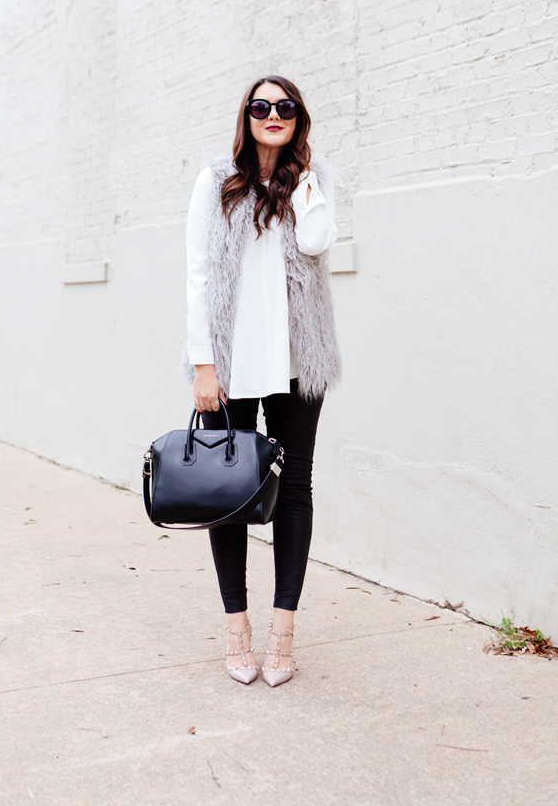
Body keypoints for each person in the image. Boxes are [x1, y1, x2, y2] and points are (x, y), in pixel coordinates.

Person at [182, 75, 341, 686]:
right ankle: (236, 632)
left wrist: (304, 187)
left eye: (286, 107)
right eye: (260, 106)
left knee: (294, 491)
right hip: (228, 365)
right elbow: (197, 274)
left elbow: (318, 240)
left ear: (299, 117)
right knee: (229, 498)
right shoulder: (215, 181)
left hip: (299, 364)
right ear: (245, 117)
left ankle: (282, 635)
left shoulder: (314, 181)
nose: (272, 114)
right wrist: (203, 364)